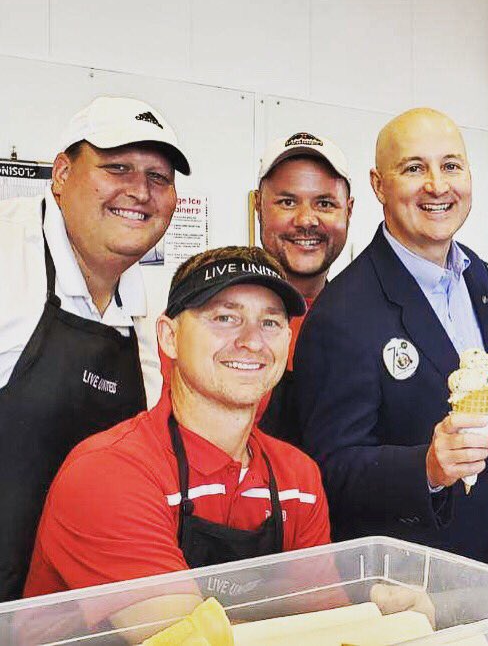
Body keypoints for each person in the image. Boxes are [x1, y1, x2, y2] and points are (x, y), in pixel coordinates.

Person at [24, 246, 330, 632]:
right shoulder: (107, 474)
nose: (252, 341)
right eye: (224, 318)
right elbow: (188, 640)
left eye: (270, 323)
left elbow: (328, 625)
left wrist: (389, 611)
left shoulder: (298, 481)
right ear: (169, 337)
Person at [293, 108, 488, 567]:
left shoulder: (477, 278)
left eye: (451, 165)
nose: (437, 185)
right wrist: (426, 469)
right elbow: (328, 469)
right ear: (378, 185)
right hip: (415, 589)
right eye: (414, 168)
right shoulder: (343, 314)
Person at [0, 96, 190, 600]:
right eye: (117, 167)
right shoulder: (7, 253)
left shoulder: (144, 310)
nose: (139, 191)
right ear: (61, 173)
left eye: (159, 177)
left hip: (69, 614)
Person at [253, 132, 354, 445]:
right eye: (287, 202)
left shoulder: (366, 321)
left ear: (349, 210)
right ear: (258, 206)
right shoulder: (212, 317)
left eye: (324, 203)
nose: (306, 220)